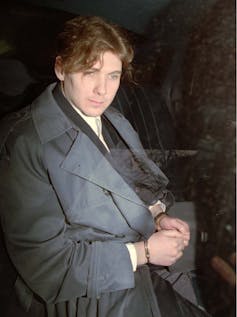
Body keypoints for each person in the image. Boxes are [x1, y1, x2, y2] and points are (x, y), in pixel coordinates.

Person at [0, 15, 210, 317]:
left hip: (142, 254)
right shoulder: (23, 142)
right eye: (90, 72)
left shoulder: (113, 119)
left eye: (113, 76)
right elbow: (45, 268)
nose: (103, 89)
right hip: (90, 292)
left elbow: (140, 185)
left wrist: (160, 215)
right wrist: (144, 252)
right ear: (60, 68)